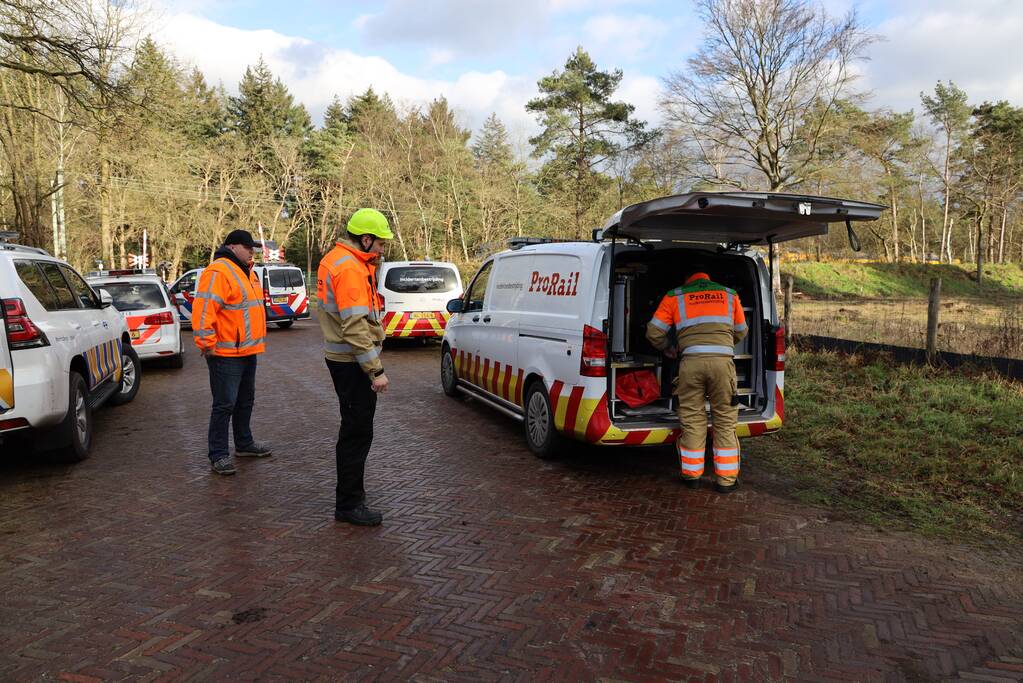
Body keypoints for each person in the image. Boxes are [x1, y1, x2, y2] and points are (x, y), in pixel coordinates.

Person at [318, 208, 392, 526]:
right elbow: (354, 328)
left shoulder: (341, 261)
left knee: (355, 431)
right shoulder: (349, 269)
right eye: (380, 243)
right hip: (352, 364)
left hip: (344, 360)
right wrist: (375, 370)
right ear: (365, 239)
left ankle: (351, 498)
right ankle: (349, 504)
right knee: (356, 433)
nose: (382, 249)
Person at [646, 272, 747, 493]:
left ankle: (692, 477)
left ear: (688, 281)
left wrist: (668, 348)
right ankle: (726, 481)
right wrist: (724, 344)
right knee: (725, 420)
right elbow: (742, 330)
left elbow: (653, 332)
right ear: (708, 279)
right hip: (723, 366)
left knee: (692, 418)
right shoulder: (729, 294)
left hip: (690, 364)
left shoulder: (675, 296)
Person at [192, 229, 272, 475]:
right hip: (225, 353)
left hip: (247, 351)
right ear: (234, 246)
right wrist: (207, 344)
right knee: (224, 404)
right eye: (248, 248)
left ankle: (244, 443)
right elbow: (204, 308)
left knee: (245, 400)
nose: (252, 252)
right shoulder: (219, 271)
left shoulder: (246, 271)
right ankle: (218, 454)